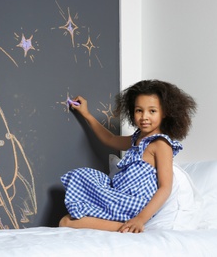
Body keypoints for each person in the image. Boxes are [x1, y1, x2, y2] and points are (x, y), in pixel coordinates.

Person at [59, 79, 197, 233]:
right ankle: (122, 226)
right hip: (119, 194)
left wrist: (140, 219)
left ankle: (128, 228)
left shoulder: (161, 144)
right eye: (139, 110)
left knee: (65, 222)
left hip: (133, 204)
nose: (144, 117)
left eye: (152, 111)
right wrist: (86, 114)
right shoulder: (137, 139)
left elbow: (165, 188)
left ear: (164, 113)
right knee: (81, 177)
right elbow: (109, 139)